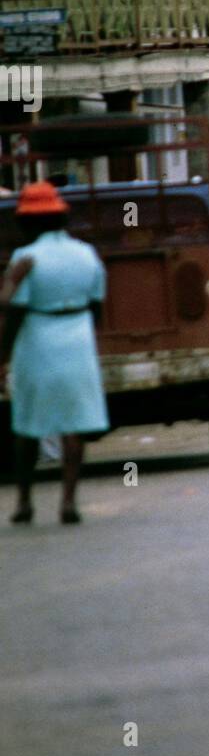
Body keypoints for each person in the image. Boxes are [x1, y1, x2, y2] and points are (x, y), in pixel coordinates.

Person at [0, 181, 108, 525]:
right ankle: (68, 500)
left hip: (37, 338)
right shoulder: (86, 254)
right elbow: (97, 305)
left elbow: (13, 311)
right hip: (77, 336)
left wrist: (2, 358)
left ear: (30, 222)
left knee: (28, 423)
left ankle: (25, 501)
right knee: (73, 425)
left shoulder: (24, 258)